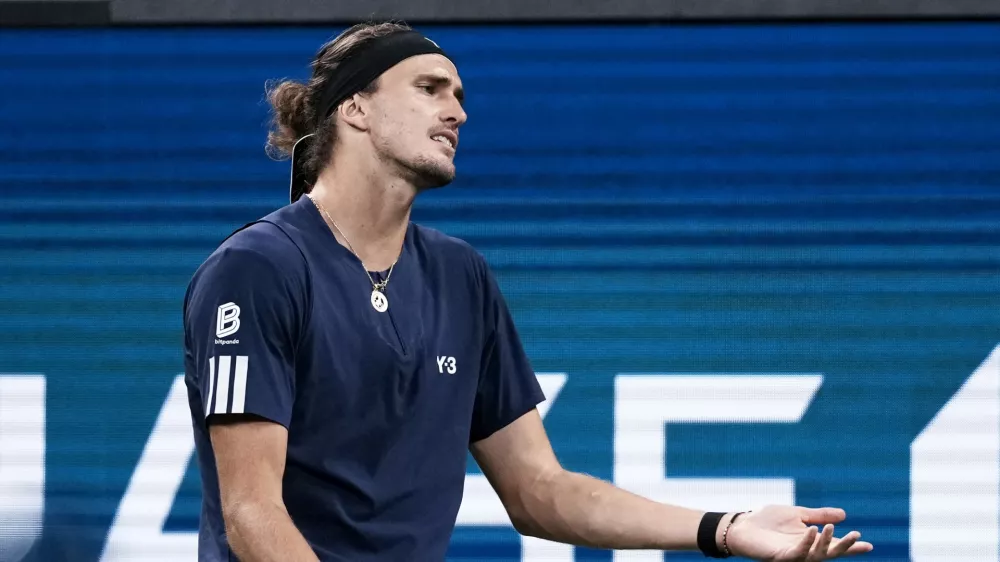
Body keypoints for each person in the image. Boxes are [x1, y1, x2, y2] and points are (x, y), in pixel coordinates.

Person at [182, 20, 874, 562]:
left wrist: (726, 528)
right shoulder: (259, 269)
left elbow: (538, 489)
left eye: (459, 96)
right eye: (430, 88)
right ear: (356, 108)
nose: (457, 112)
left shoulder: (462, 276)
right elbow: (251, 512)